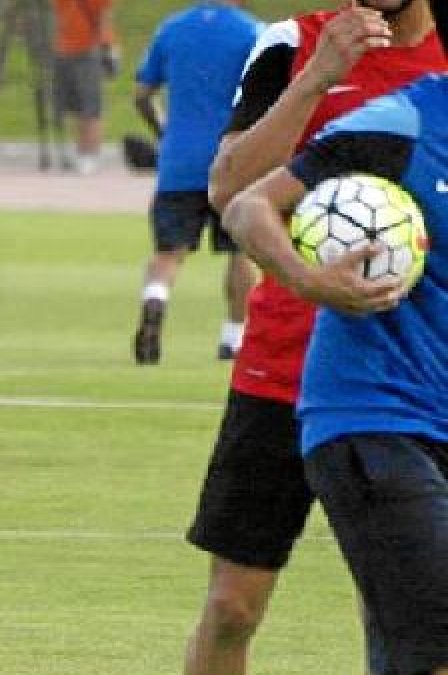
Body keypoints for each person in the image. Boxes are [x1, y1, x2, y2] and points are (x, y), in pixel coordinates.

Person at [185, 1, 444, 673]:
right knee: (234, 605)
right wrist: (319, 76)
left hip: (402, 379)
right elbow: (229, 188)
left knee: (400, 611)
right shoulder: (292, 43)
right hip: (283, 365)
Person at [130, 0, 261, 365]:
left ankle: (155, 299)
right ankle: (233, 338)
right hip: (232, 160)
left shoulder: (172, 28)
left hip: (179, 159)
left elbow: (142, 94)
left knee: (168, 252)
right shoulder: (252, 32)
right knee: (241, 251)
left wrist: (162, 130)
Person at [51, 0, 117, 174]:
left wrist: (107, 47)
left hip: (88, 49)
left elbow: (104, 16)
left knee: (90, 107)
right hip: (64, 49)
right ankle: (81, 151)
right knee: (75, 107)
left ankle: (90, 154)